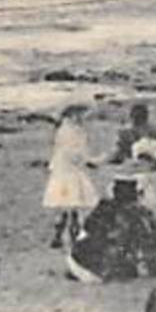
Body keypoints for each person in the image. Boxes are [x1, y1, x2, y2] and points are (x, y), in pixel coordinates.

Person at [43, 105, 101, 282]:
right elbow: (74, 152)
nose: (81, 117)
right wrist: (89, 160)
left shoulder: (65, 129)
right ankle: (69, 233)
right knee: (73, 203)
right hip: (69, 169)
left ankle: (60, 233)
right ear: (70, 115)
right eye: (78, 114)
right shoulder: (71, 130)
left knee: (66, 204)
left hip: (64, 167)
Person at [77, 177, 156, 280]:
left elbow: (87, 227)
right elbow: (147, 240)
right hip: (107, 260)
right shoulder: (136, 213)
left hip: (83, 258)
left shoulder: (104, 206)